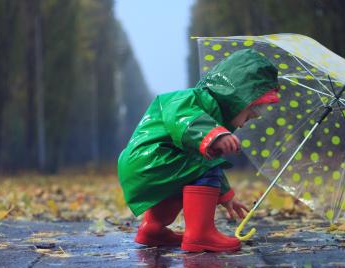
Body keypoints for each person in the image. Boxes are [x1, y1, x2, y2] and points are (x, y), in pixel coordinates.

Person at [118, 48, 280, 252]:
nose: (246, 123)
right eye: (249, 114)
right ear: (239, 97)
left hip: (152, 163)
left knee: (189, 171)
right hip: (153, 160)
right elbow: (183, 118)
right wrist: (214, 134)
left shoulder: (210, 109)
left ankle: (152, 229)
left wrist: (226, 195)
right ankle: (200, 234)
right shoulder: (195, 100)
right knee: (203, 161)